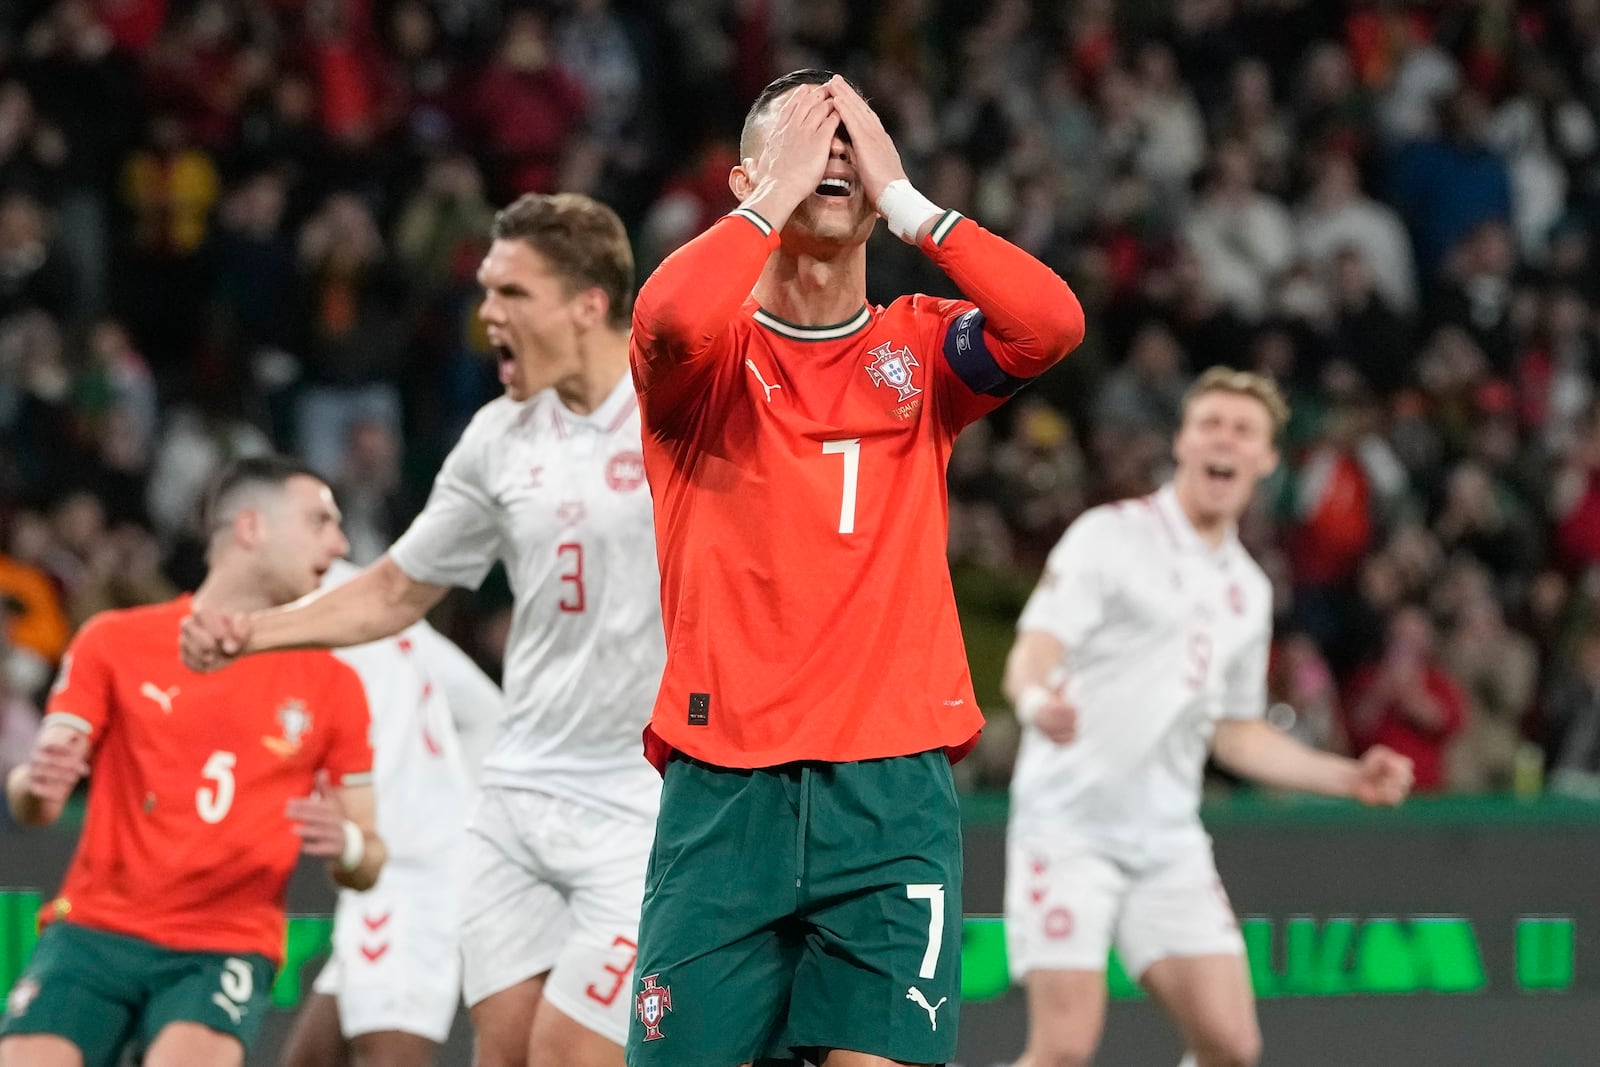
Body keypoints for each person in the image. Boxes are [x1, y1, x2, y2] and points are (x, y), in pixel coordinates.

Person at [626, 69, 1086, 1066]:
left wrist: (917, 208)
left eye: (852, 142)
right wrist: (764, 203)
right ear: (753, 174)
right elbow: (666, 317)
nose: (831, 153)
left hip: (889, 796)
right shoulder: (705, 359)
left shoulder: (920, 351)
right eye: (805, 139)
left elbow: (1049, 325)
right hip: (724, 794)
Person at [181, 192, 663, 1067]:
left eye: (512, 293)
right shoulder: (497, 437)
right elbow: (397, 588)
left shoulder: (678, 411)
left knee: (571, 1052)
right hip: (517, 799)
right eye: (485, 291)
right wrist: (255, 631)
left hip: (643, 802)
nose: (487, 315)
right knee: (506, 1053)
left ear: (589, 304)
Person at [1001, 368, 1415, 1067]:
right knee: (1064, 1048)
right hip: (1068, 826)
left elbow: (1235, 731)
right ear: (1184, 442)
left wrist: (1349, 777)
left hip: (1166, 840)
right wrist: (1039, 701)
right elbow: (1031, 652)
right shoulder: (1110, 535)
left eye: (1243, 429)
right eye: (1212, 424)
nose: (1225, 439)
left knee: (1230, 1044)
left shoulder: (1248, 591)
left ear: (1265, 460)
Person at [0, 456, 385, 1067]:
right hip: (93, 930)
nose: (339, 544)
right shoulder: (113, 640)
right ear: (251, 528)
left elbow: (369, 857)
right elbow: (36, 803)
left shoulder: (335, 684)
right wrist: (32, 782)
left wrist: (348, 845)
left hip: (221, 946)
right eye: (320, 521)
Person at [280, 558, 503, 1067]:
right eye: (321, 522)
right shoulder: (377, 600)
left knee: (390, 1052)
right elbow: (486, 711)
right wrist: (454, 804)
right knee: (310, 1059)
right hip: (393, 866)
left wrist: (437, 814)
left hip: (410, 873)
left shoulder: (318, 608)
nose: (335, 539)